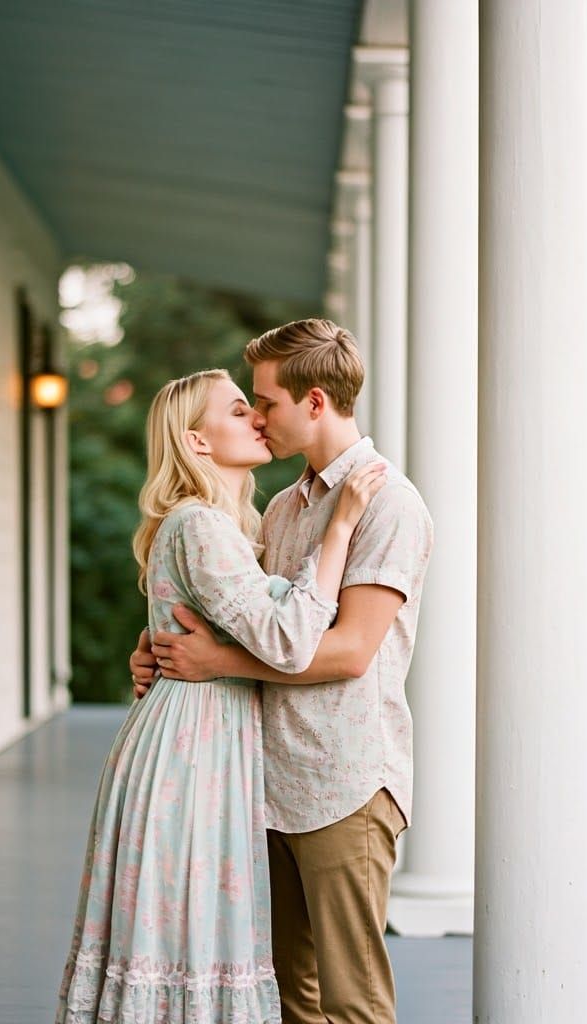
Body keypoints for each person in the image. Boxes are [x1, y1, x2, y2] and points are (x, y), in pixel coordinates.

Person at [55, 368, 386, 1024]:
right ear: (197, 441)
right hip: (191, 754)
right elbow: (288, 636)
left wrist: (156, 646)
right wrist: (341, 528)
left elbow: (205, 618)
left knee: (190, 939)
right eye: (240, 410)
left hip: (201, 740)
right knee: (186, 936)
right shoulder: (200, 524)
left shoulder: (226, 526)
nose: (259, 419)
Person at [131, 320, 434, 1024]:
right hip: (268, 781)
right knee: (290, 996)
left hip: (344, 782)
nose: (257, 416)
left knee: (352, 1002)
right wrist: (162, 645)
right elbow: (262, 622)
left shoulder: (389, 504)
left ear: (316, 402)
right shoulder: (280, 506)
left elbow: (350, 652)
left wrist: (214, 664)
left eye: (264, 402)